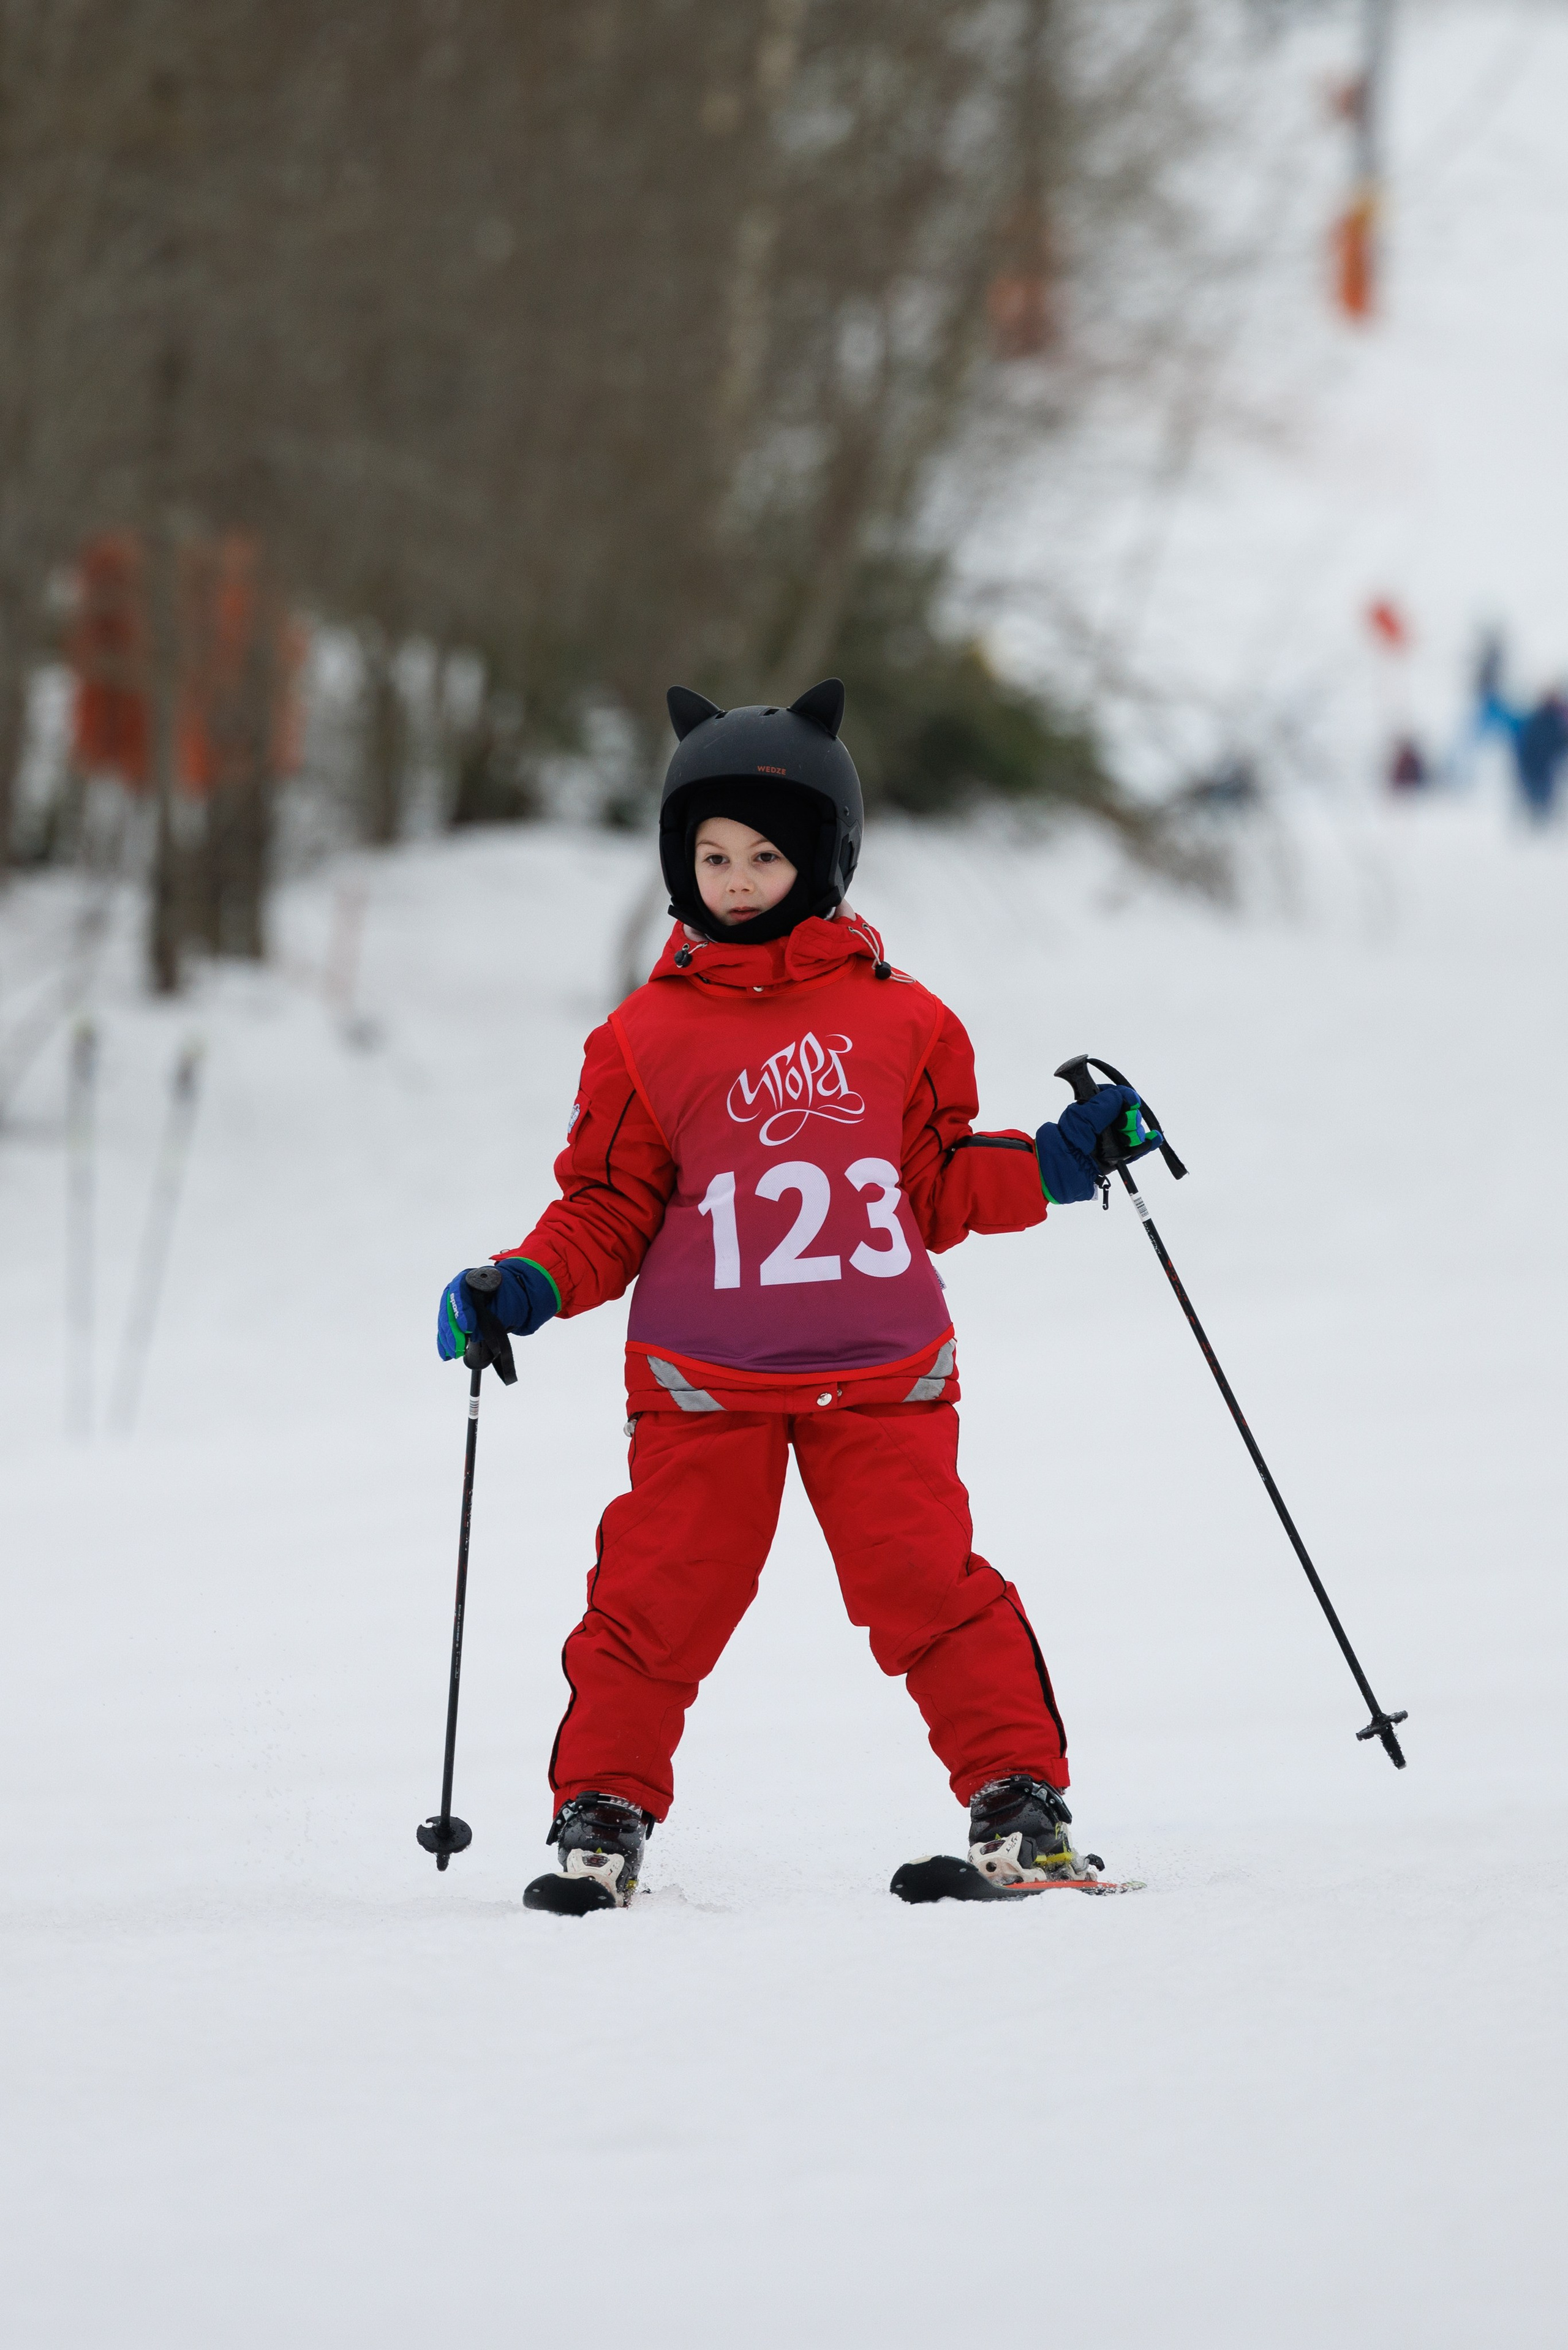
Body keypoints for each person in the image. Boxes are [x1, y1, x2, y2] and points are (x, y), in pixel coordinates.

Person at [435, 679, 1153, 1910]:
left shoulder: (904, 1019)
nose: (734, 876)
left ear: (823, 858)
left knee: (926, 1583)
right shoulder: (642, 1039)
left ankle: (1018, 1798)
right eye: (708, 852)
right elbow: (607, 1207)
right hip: (703, 1381)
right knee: (657, 1594)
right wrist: (529, 1281)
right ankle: (601, 1807)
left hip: (881, 1369)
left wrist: (1055, 1159)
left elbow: (930, 1183)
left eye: (764, 853)